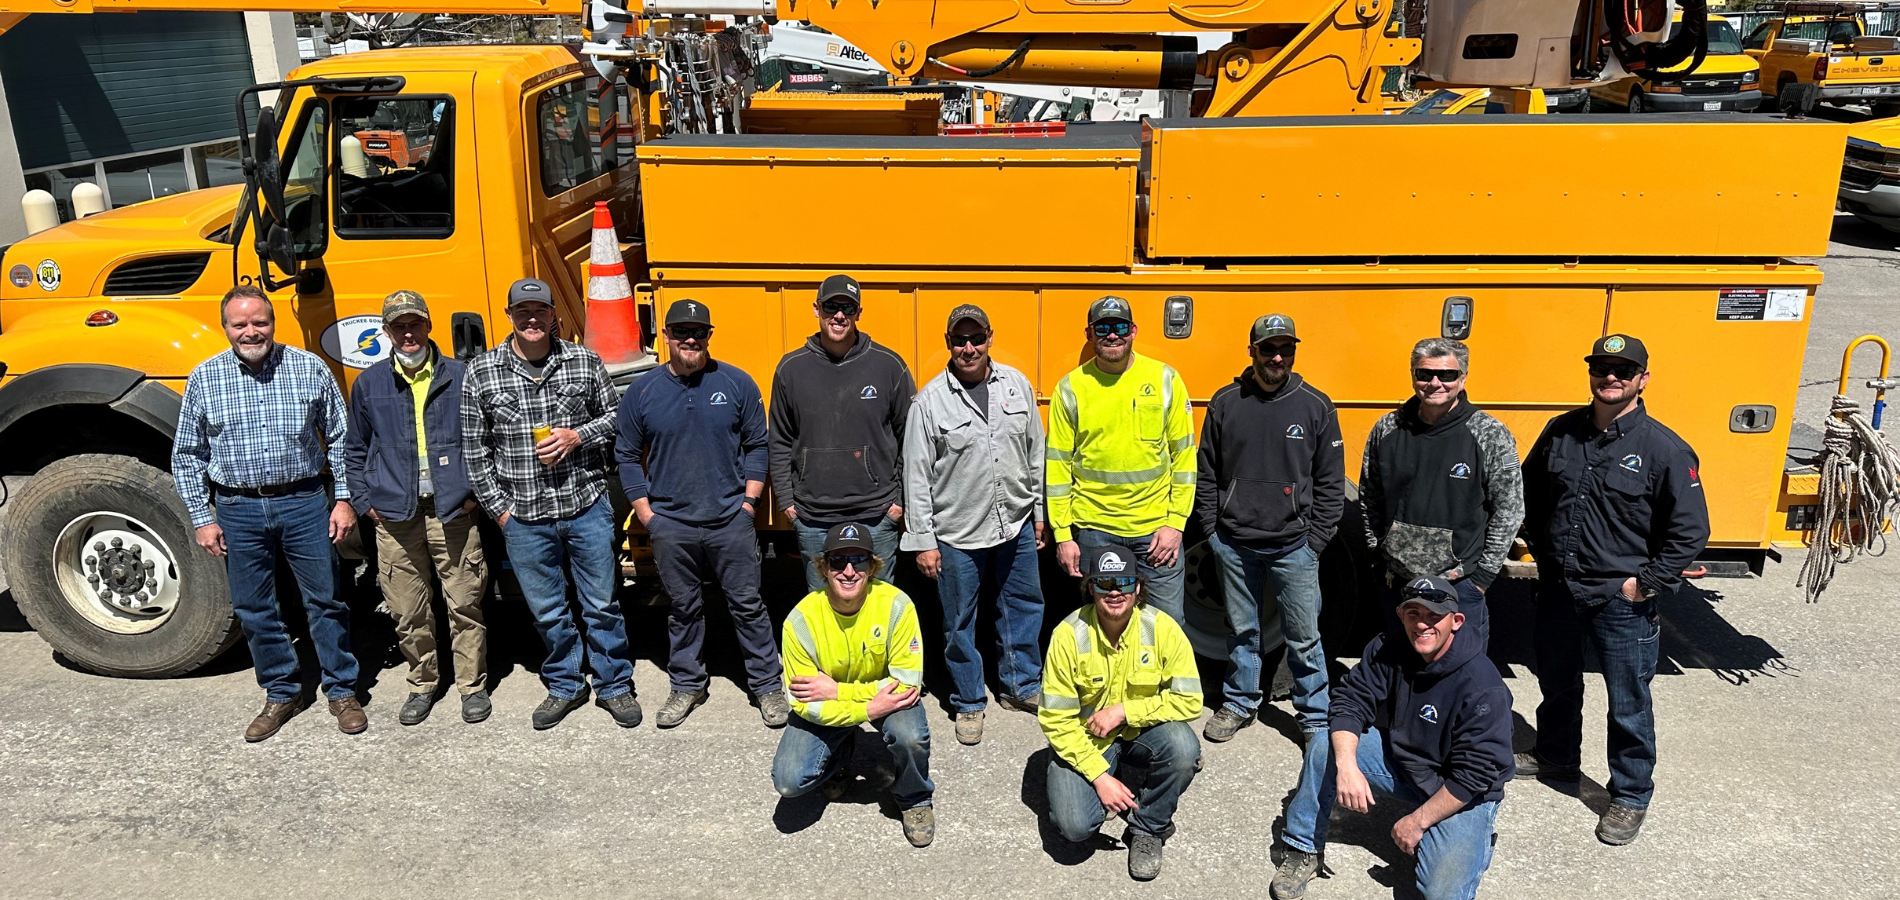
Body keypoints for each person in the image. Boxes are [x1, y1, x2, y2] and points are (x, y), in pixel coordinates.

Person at [1519, 334, 1709, 846]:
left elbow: (1691, 530)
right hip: (1559, 588)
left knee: (1627, 701)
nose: (1611, 378)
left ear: (1643, 379)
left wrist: (1645, 584)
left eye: (1623, 371)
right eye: (1602, 369)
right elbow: (1529, 490)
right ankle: (1556, 756)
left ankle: (1629, 794)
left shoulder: (1664, 449)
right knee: (1557, 683)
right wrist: (1534, 546)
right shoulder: (1561, 432)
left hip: (1620, 601)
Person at [173, 284, 363, 741]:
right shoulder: (205, 377)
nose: (251, 331)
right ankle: (282, 692)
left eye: (259, 322)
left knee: (326, 601)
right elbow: (187, 454)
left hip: (304, 502)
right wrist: (203, 517)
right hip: (237, 507)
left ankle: (342, 691)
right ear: (225, 329)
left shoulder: (308, 367)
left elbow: (341, 437)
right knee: (255, 608)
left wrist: (343, 499)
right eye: (240, 324)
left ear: (273, 323)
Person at [461, 277, 639, 730]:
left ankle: (614, 683)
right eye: (523, 311)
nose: (532, 318)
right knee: (547, 610)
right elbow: (475, 451)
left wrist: (578, 435)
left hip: (585, 504)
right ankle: (565, 683)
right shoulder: (482, 372)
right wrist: (500, 510)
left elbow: (619, 416)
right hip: (523, 515)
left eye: (540, 310)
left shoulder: (582, 361)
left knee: (601, 603)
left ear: (553, 315)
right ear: (510, 317)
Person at [1271, 577, 1514, 900]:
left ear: (1456, 622)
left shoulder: (1483, 685)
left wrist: (1416, 821)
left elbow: (1476, 775)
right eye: (1413, 614)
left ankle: (1472, 842)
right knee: (1324, 744)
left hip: (1461, 791)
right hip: (1406, 765)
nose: (1422, 624)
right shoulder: (1390, 647)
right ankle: (1302, 848)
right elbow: (1350, 701)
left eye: (1433, 616)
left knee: (1441, 893)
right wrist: (1347, 767)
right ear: (1402, 617)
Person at [616, 299, 789, 730]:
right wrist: (648, 515)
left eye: (699, 332)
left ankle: (767, 686)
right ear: (666, 337)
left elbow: (757, 445)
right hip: (671, 524)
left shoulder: (736, 384)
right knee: (683, 607)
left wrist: (748, 504)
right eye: (680, 332)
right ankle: (688, 683)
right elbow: (625, 456)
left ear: (709, 336)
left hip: (730, 518)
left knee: (747, 605)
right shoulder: (642, 392)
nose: (690, 339)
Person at [1196, 313, 1346, 744]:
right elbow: (1207, 473)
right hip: (1234, 543)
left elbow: (1331, 481)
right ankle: (1240, 702)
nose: (1277, 357)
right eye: (1268, 348)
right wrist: (1212, 531)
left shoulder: (1316, 406)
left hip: (1293, 547)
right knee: (1242, 632)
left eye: (1286, 349)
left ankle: (1315, 715)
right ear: (1252, 352)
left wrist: (1315, 541)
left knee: (1304, 635)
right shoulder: (1226, 403)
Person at [901, 304, 1046, 745]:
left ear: (989, 338)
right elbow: (916, 476)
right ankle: (968, 702)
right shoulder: (929, 402)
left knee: (1022, 604)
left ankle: (1021, 687)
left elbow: (1035, 451)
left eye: (976, 338)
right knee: (959, 621)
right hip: (958, 533)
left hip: (1015, 522)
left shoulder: (1017, 385)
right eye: (959, 340)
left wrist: (1039, 513)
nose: (968, 348)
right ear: (948, 344)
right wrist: (924, 541)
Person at [344, 290, 489, 726]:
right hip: (395, 514)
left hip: (453, 508)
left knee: (465, 602)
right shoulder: (369, 383)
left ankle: (472, 686)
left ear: (429, 327)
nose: (408, 333)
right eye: (398, 326)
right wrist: (365, 502)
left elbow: (485, 440)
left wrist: (474, 494)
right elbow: (354, 449)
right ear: (386, 332)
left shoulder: (462, 376)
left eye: (415, 324)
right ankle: (423, 683)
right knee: (408, 609)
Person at [1039, 545, 1204, 882]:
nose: (1115, 592)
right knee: (1075, 827)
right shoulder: (1068, 635)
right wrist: (1100, 778)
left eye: (1125, 583)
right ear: (1091, 588)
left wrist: (1125, 711)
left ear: (1138, 588)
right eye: (1105, 584)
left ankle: (1148, 829)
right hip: (1086, 739)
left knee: (1185, 749)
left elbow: (1190, 701)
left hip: (1140, 731)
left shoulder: (1163, 629)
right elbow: (1055, 720)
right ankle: (1104, 778)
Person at [771, 523, 936, 848]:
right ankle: (840, 757)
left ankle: (914, 797)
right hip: (868, 698)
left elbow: (906, 686)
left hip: (884, 698)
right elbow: (803, 702)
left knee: (910, 737)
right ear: (823, 567)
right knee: (789, 780)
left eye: (858, 560)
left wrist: (839, 692)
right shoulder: (800, 621)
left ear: (872, 565)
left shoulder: (897, 607)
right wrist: (865, 708)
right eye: (838, 561)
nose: (848, 571)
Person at [1359, 337, 1523, 649]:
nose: (1435, 383)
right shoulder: (1387, 429)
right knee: (1398, 670)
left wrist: (1482, 579)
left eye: (1447, 375)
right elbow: (1369, 497)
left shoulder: (1489, 434)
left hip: (1460, 584)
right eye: (1424, 374)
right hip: (1398, 582)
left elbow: (1510, 509)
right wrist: (1377, 557)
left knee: (1461, 678)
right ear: (1412, 376)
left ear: (1462, 378)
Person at [1047, 295, 1196, 624]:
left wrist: (1175, 524)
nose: (1112, 335)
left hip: (1157, 531)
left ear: (1133, 331)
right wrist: (1063, 536)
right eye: (1103, 328)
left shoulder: (1165, 380)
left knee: (1167, 627)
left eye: (1119, 326)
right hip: (1094, 530)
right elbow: (1057, 468)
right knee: (1103, 629)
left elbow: (1184, 459)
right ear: (1089, 335)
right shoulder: (1070, 389)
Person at [768, 274, 916, 592]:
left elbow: (912, 441)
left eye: (847, 308)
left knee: (880, 605)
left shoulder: (889, 366)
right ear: (816, 309)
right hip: (813, 517)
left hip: (877, 514)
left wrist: (899, 502)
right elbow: (779, 439)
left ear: (858, 313)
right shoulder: (790, 369)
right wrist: (787, 503)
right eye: (831, 306)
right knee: (823, 606)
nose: (839, 315)